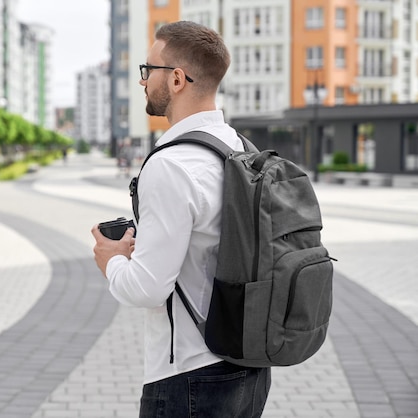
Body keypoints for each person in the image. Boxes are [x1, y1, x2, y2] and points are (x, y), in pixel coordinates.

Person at [91, 21, 271, 417]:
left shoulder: (172, 164)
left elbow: (147, 289)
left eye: (147, 70)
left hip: (189, 376)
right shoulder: (240, 149)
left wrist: (112, 259)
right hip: (250, 365)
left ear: (176, 79)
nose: (142, 81)